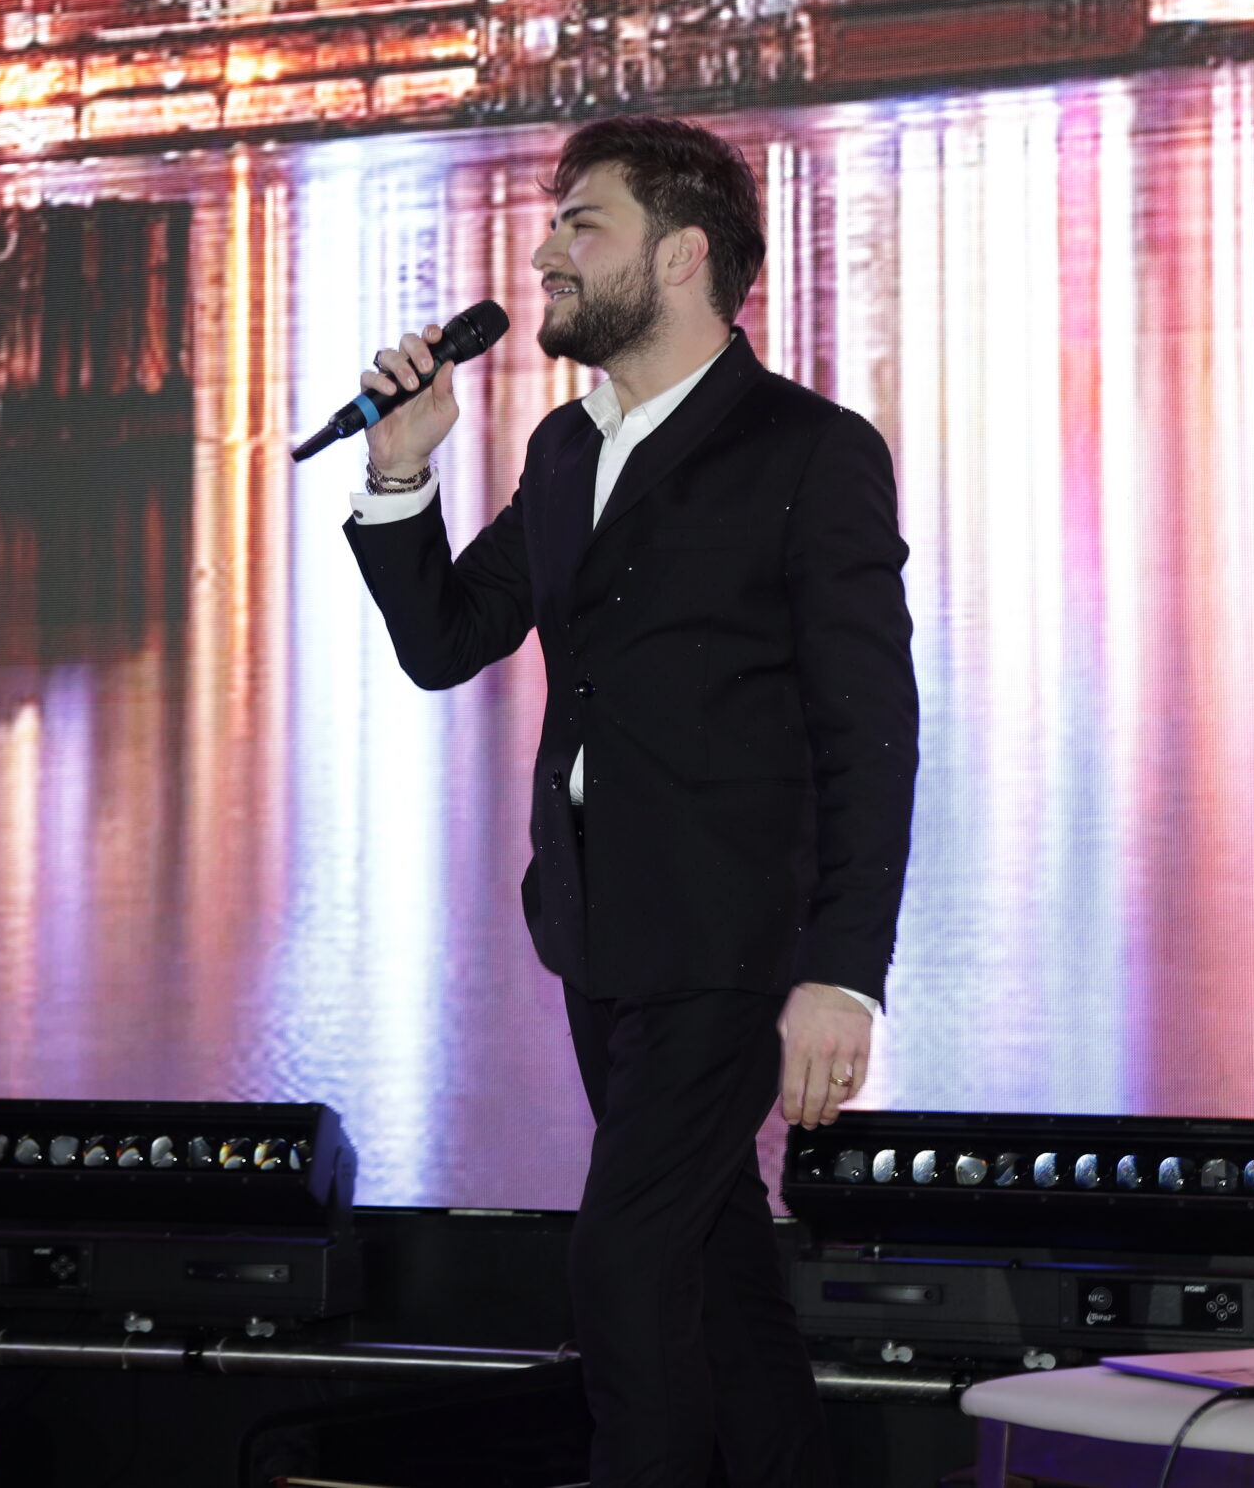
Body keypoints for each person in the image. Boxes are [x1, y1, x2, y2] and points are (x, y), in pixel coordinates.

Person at [342, 115, 919, 1488]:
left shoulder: (808, 452)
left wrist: (843, 975)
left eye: (580, 223)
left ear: (680, 257)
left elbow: (871, 735)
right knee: (716, 1268)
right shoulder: (564, 450)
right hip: (600, 930)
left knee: (627, 1260)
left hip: (735, 941)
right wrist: (401, 471)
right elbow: (446, 640)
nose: (545, 252)